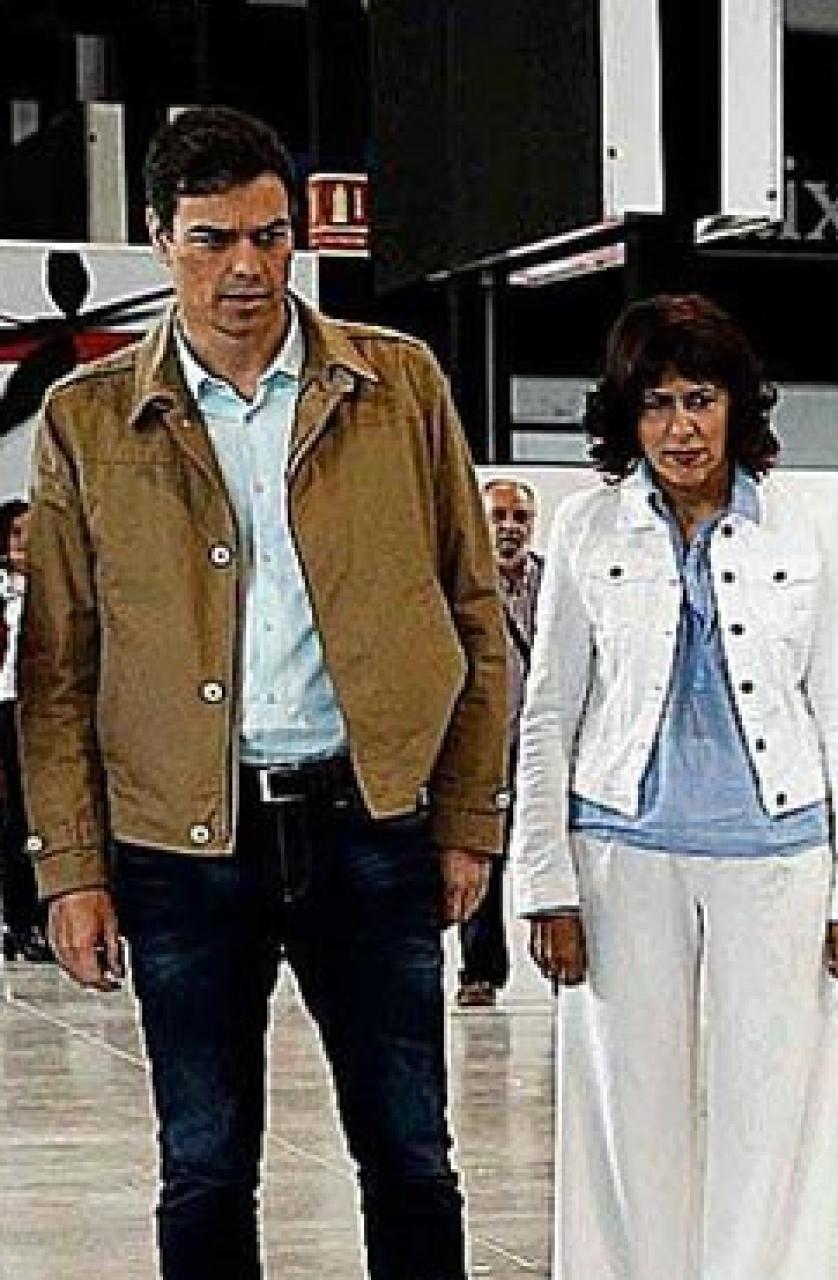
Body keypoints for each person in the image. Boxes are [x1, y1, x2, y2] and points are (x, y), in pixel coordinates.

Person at [19, 106, 508, 1280]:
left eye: (270, 235)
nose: (246, 267)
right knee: (202, 1162)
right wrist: (71, 866)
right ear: (159, 238)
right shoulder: (85, 417)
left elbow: (473, 613)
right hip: (180, 847)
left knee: (410, 1152)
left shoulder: (397, 383)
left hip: (372, 824)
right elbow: (56, 668)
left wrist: (467, 815)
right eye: (211, 239)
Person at [510, 293, 838, 1280]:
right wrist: (546, 884)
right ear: (626, 415)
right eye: (656, 403)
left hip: (782, 854)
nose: (680, 427)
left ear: (736, 405)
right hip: (619, 851)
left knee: (780, 1104)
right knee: (623, 1101)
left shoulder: (805, 527)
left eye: (700, 399)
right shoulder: (587, 527)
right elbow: (547, 713)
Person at [454, 477, 543, 1009]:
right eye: (499, 516)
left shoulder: (554, 583)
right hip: (487, 743)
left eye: (520, 517)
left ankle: (562, 963)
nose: (510, 527)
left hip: (542, 745)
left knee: (549, 853)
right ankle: (481, 970)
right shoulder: (467, 586)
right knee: (482, 850)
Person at [0, 498, 46, 963]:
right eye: (16, 534)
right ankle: (17, 919)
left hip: (37, 709)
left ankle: (34, 919)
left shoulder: (54, 591)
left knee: (33, 817)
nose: (24, 545)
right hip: (4, 706)